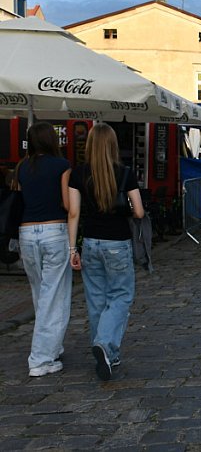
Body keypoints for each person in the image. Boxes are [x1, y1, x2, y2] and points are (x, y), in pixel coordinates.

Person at [68, 122, 145, 381]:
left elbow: (73, 213)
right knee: (121, 297)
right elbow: (139, 211)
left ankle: (107, 355)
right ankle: (105, 344)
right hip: (117, 241)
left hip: (90, 241)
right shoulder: (124, 174)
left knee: (96, 300)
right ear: (113, 145)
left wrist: (72, 248)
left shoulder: (78, 174)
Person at [16, 122, 72, 378]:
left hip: (26, 232)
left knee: (40, 293)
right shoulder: (61, 165)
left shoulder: (21, 167)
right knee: (54, 296)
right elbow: (66, 202)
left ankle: (52, 345)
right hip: (53, 230)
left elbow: (20, 199)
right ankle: (40, 358)